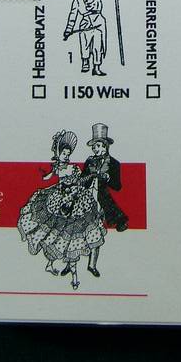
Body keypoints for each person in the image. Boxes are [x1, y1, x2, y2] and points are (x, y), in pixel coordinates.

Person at [17, 130, 106, 288]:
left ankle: (76, 265)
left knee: (75, 231)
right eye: (64, 153)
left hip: (76, 199)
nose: (66, 156)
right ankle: (63, 264)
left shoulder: (74, 168)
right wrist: (46, 174)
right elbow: (47, 177)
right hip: (60, 199)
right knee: (59, 231)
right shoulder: (57, 168)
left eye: (68, 153)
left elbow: (80, 180)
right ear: (58, 154)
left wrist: (89, 178)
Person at [79, 123, 128, 277]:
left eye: (99, 146)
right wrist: (89, 177)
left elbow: (117, 186)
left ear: (106, 146)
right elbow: (82, 181)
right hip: (85, 198)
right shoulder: (89, 161)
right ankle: (72, 263)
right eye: (94, 146)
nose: (96, 149)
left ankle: (92, 265)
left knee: (96, 233)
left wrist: (107, 178)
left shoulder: (114, 163)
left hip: (102, 198)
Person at [63, 0, 115, 75]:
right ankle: (85, 63)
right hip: (86, 24)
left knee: (98, 46)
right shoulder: (77, 0)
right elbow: (73, 15)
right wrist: (68, 29)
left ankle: (96, 67)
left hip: (98, 23)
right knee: (85, 45)